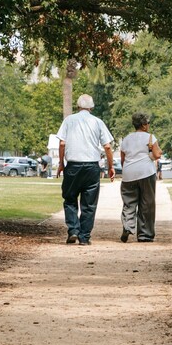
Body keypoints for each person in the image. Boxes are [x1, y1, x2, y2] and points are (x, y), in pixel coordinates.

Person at [56, 93, 115, 246]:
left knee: (70, 199)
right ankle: (84, 237)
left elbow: (62, 143)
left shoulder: (69, 120)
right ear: (91, 107)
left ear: (78, 106)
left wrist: (61, 163)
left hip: (73, 166)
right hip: (91, 166)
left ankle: (73, 230)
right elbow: (107, 146)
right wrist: (111, 166)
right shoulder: (98, 122)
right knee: (89, 204)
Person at [118, 112, 162, 243]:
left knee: (129, 202)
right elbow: (157, 154)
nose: (148, 126)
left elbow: (122, 159)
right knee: (147, 204)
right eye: (148, 123)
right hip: (146, 173)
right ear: (143, 125)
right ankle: (145, 235)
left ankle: (127, 226)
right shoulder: (150, 138)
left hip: (128, 174)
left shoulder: (126, 139)